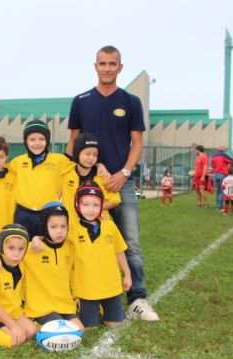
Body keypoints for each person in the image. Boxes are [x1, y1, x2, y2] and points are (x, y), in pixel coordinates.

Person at [67, 45, 159, 321]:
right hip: (87, 187)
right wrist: (77, 176)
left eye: (112, 63)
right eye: (102, 63)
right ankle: (80, 295)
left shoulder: (130, 102)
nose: (107, 68)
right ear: (95, 66)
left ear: (120, 67)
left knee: (129, 241)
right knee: (80, 241)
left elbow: (137, 141)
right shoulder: (81, 100)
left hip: (121, 183)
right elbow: (73, 141)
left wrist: (125, 173)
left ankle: (137, 299)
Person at [70, 181, 131, 328]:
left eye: (96, 205)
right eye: (86, 205)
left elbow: (119, 250)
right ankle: (85, 306)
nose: (91, 210)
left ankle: (107, 308)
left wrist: (127, 274)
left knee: (114, 324)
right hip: (86, 288)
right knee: (90, 326)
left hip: (111, 285)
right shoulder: (71, 228)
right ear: (77, 205)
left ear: (102, 206)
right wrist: (36, 239)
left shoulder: (109, 225)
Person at [23, 202, 84, 331]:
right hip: (41, 308)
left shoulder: (70, 248)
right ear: (44, 227)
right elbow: (8, 255)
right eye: (53, 227)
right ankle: (33, 324)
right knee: (62, 331)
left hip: (65, 305)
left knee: (79, 330)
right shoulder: (31, 249)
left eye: (63, 226)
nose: (59, 231)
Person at [10, 119, 72, 238]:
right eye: (32, 139)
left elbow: (81, 167)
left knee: (46, 249)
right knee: (23, 248)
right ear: (25, 142)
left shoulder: (59, 160)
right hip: (23, 214)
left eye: (41, 139)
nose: (37, 143)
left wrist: (100, 166)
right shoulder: (17, 162)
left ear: (47, 141)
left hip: (49, 213)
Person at [61, 132, 120, 220]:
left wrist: (94, 209)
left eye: (95, 155)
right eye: (87, 154)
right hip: (72, 225)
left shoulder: (102, 175)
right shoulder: (67, 172)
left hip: (97, 224)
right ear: (77, 153)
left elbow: (115, 200)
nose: (91, 158)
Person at [211, 145, 233, 211]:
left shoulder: (214, 155)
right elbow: (232, 160)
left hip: (216, 174)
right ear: (223, 149)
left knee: (218, 191)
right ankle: (219, 207)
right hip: (222, 174)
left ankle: (218, 205)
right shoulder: (224, 154)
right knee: (222, 191)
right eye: (225, 148)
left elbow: (212, 165)